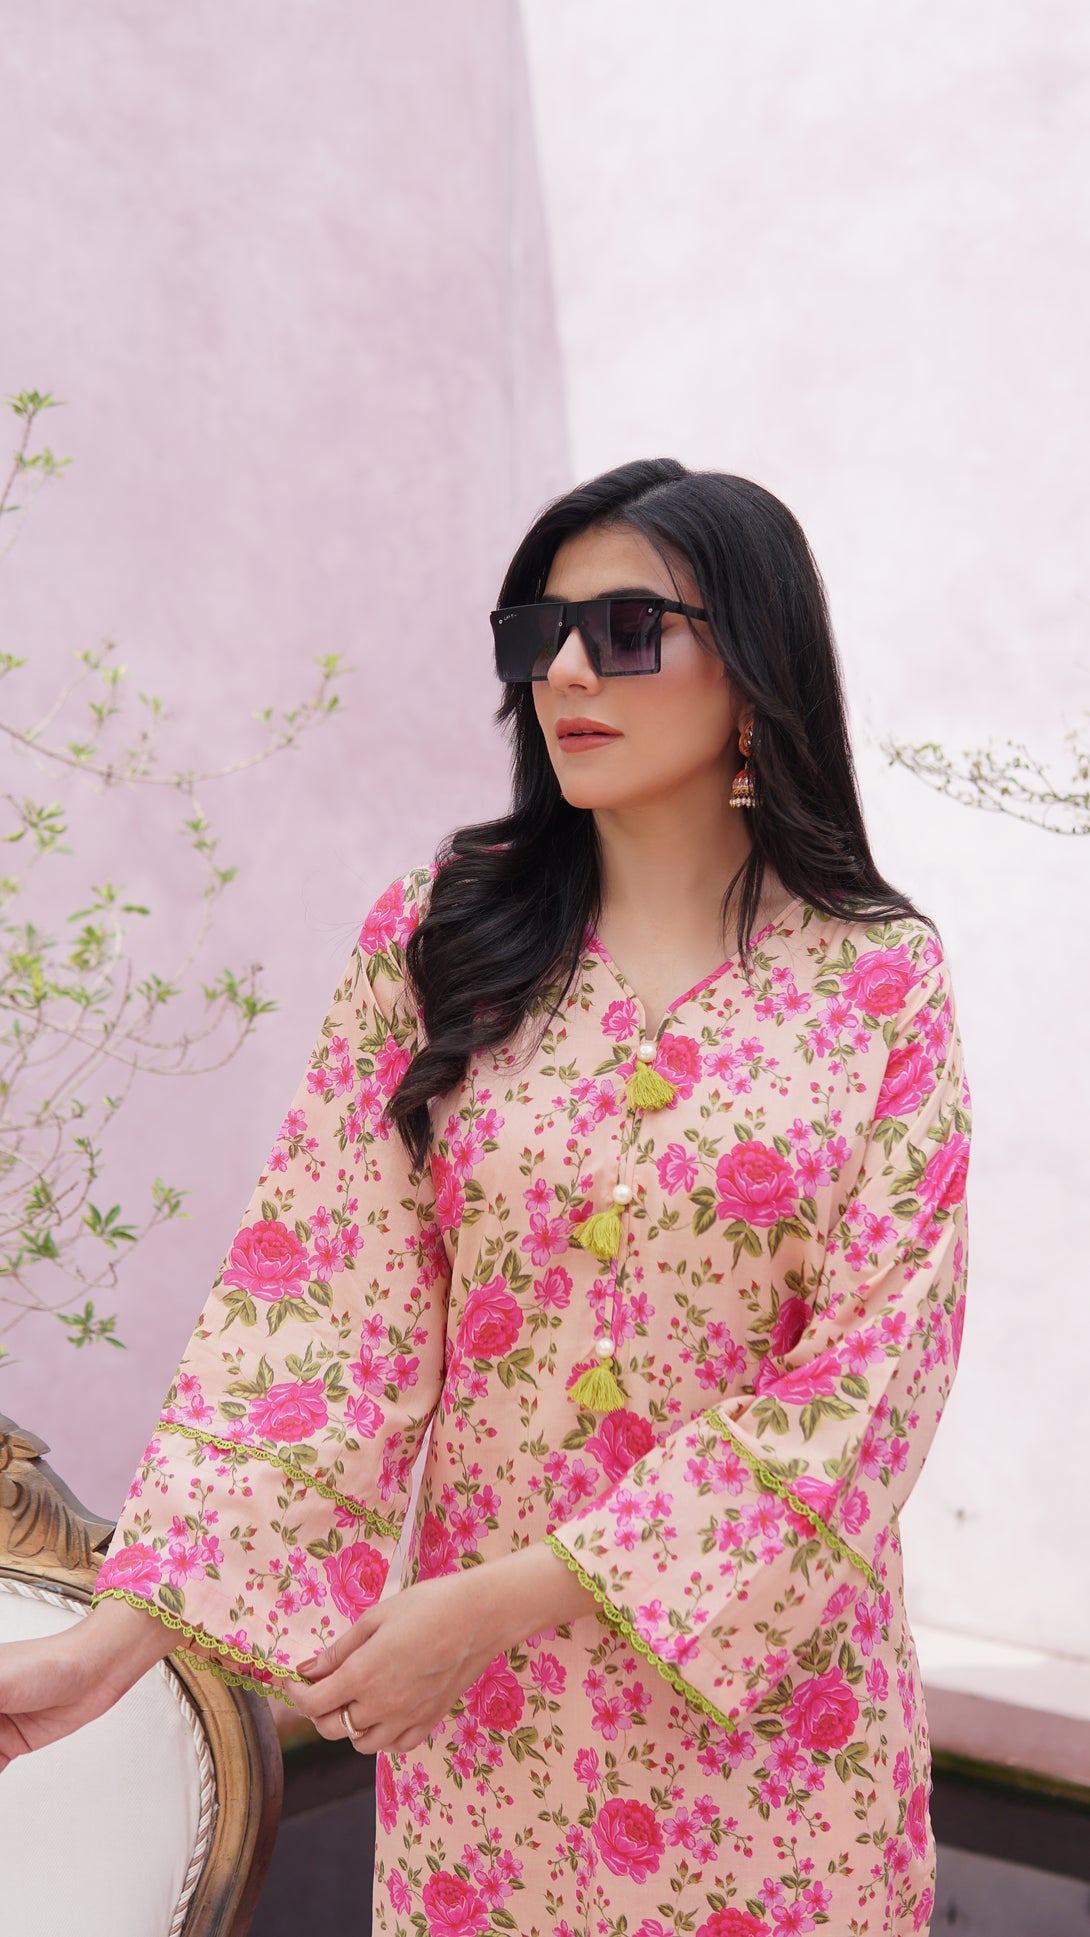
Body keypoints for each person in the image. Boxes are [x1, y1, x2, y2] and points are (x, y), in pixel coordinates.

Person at [0, 460, 970, 1937]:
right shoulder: (442, 939)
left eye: (627, 629)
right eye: (538, 632)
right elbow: (319, 1322)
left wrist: (501, 1600)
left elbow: (870, 1381)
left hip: (777, 1733)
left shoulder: (875, 980)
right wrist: (117, 1643)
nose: (565, 671)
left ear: (756, 663)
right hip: (488, 1738)